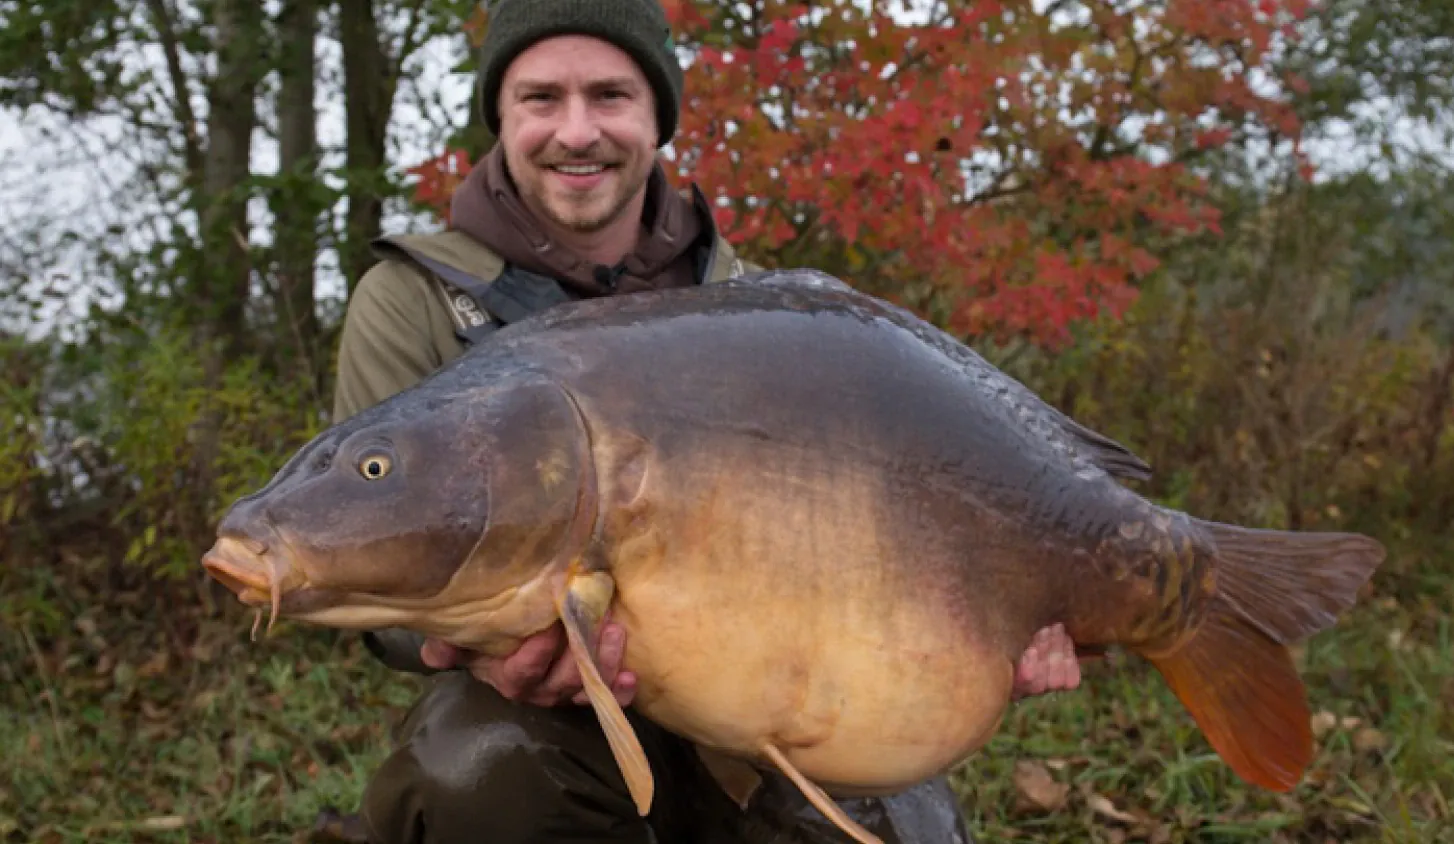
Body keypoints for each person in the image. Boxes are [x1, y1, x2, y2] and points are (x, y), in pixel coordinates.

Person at [329, 0, 1084, 841]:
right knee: (477, 769)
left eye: (611, 95)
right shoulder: (412, 299)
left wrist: (995, 617)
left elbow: (884, 531)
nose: (577, 131)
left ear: (657, 117)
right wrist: (478, 648)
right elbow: (368, 555)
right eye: (541, 98)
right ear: (500, 118)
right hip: (542, 725)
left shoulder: (760, 312)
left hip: (762, 697)